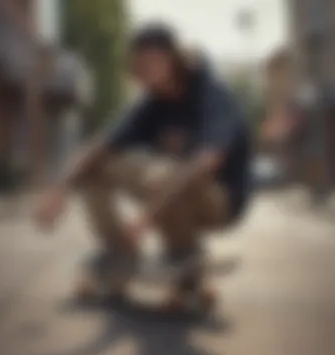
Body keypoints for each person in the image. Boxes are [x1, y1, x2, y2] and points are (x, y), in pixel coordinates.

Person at [36, 24, 252, 310]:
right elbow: (102, 146)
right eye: (139, 64)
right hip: (168, 189)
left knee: (165, 174)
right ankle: (119, 256)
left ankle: (185, 268)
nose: (144, 72)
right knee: (96, 166)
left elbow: (207, 162)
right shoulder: (150, 103)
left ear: (173, 59)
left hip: (220, 199)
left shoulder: (211, 94)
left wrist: (146, 218)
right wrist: (61, 187)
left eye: (152, 62)